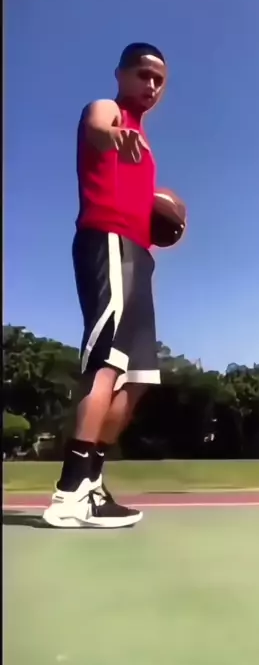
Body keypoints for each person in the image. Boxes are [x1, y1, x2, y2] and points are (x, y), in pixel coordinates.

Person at [43, 43, 167, 528]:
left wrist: (165, 213)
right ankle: (70, 490)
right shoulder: (108, 111)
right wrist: (112, 136)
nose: (151, 85)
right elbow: (97, 129)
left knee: (139, 379)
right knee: (106, 363)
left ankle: (91, 482)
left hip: (138, 253)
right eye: (143, 74)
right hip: (107, 239)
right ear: (121, 74)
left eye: (159, 80)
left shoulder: (145, 140)